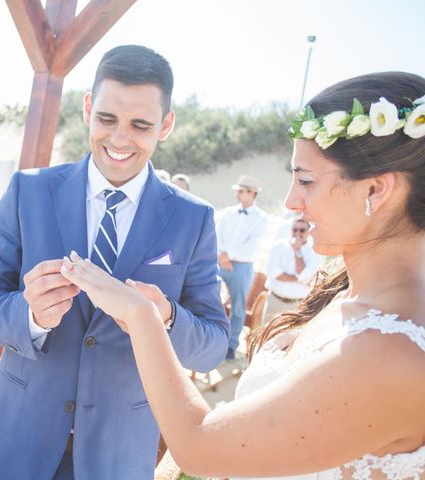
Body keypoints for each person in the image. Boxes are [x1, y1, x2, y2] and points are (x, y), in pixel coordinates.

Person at [60, 71, 425, 479]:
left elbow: (200, 446)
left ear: (375, 191)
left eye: (305, 180)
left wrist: (142, 317)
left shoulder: (390, 354)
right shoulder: (348, 294)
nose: (290, 201)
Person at [0, 45, 229, 479]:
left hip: (116, 454)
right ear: (87, 108)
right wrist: (29, 315)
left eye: (140, 125)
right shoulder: (29, 192)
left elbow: (214, 345)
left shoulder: (193, 218)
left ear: (167, 124)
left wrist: (160, 316)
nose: (119, 139)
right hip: (13, 444)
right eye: (107, 119)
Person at [216, 175, 269, 358]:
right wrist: (221, 256)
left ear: (252, 193)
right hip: (219, 262)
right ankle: (211, 337)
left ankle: (231, 345)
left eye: (241, 190)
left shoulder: (262, 218)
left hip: (242, 267)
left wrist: (228, 257)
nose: (237, 194)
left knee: (238, 307)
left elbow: (252, 246)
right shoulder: (228, 213)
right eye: (238, 190)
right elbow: (217, 234)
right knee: (209, 296)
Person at [262, 218, 322, 325]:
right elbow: (274, 273)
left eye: (302, 230)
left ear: (308, 232)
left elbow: (307, 278)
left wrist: (297, 251)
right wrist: (300, 279)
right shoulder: (278, 246)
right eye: (295, 230)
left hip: (296, 305)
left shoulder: (314, 252)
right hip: (274, 301)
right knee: (263, 336)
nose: (297, 233)